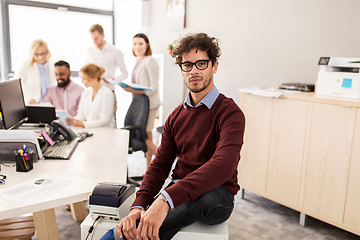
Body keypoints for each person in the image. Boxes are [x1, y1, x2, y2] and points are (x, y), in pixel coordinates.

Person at [100, 33, 245, 240]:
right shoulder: (176, 116)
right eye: (187, 65)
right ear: (181, 70)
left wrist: (166, 199)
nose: (194, 71)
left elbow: (223, 166)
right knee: (149, 210)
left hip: (217, 195)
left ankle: (120, 237)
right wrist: (139, 205)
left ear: (215, 66)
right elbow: (159, 165)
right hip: (179, 190)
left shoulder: (230, 112)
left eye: (201, 63)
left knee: (202, 197)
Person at [121, 33, 161, 169]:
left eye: (141, 43)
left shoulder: (150, 61)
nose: (137, 46)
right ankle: (149, 169)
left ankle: (165, 163)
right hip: (141, 104)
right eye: (135, 43)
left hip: (149, 104)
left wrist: (132, 90)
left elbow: (154, 88)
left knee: (145, 137)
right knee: (147, 136)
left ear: (147, 45)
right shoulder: (139, 60)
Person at [66, 63, 115, 128]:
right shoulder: (85, 93)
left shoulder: (107, 93)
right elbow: (81, 115)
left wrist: (83, 124)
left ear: (94, 78)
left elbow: (105, 119)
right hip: (91, 130)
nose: (82, 81)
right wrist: (74, 121)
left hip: (106, 130)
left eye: (84, 79)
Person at [13, 39, 56, 104]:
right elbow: (15, 86)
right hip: (33, 103)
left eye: (43, 53)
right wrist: (27, 99)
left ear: (47, 52)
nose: (40, 57)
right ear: (32, 54)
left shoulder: (52, 66)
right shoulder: (25, 66)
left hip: (50, 103)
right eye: (36, 54)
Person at [86, 24, 128, 91]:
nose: (94, 41)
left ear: (103, 36)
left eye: (96, 38)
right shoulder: (90, 51)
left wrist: (114, 79)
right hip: (94, 91)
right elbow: (87, 70)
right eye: (92, 38)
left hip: (109, 90)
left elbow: (125, 74)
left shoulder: (116, 51)